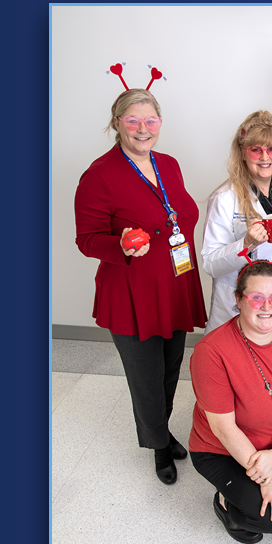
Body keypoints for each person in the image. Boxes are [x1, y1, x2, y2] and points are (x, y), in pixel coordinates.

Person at [74, 86, 206, 487]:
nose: (142, 128)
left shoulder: (168, 164)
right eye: (133, 120)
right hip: (131, 292)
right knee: (145, 377)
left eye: (150, 120)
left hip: (174, 283)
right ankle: (159, 448)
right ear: (117, 124)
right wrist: (121, 246)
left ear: (160, 123)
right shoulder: (99, 175)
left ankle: (161, 430)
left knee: (169, 369)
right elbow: (86, 239)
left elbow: (177, 215)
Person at [188, 261, 272, 544]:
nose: (267, 306)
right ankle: (224, 502)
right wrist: (267, 479)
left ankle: (261, 476)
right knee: (264, 521)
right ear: (238, 299)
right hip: (221, 450)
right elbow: (224, 428)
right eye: (256, 297)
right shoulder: (211, 352)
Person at [199, 111, 272, 332]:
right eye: (256, 150)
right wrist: (245, 244)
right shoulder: (225, 198)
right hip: (237, 307)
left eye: (271, 149)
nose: (265, 157)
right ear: (242, 152)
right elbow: (210, 264)